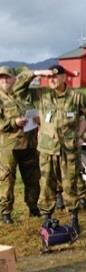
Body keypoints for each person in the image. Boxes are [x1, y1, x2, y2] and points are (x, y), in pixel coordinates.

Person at [13, 65, 86, 233]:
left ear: (63, 78)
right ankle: (47, 218)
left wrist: (84, 137)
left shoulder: (76, 97)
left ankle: (74, 219)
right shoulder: (41, 95)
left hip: (68, 151)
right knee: (46, 185)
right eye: (50, 77)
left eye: (56, 76)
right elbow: (18, 89)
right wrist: (36, 73)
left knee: (70, 185)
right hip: (47, 150)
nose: (52, 80)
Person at [0, 66, 40, 224]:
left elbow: (26, 76)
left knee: (32, 177)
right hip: (8, 146)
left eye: (7, 77)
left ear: (14, 79)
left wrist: (37, 120)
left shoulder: (23, 97)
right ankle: (5, 212)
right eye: (1, 78)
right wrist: (13, 122)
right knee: (6, 179)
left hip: (29, 144)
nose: (4, 80)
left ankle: (33, 207)